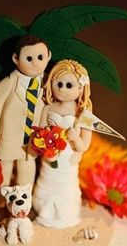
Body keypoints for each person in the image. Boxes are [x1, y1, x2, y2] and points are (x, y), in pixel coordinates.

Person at [0, 35, 52, 217]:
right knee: (3, 174)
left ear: (49, 56)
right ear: (16, 59)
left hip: (31, 143)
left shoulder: (47, 85)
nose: (35, 63)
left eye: (40, 57)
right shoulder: (7, 85)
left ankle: (23, 206)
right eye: (29, 58)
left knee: (27, 174)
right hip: (8, 141)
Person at [33, 59, 92, 228]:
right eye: (58, 83)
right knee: (47, 181)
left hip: (69, 158)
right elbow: (40, 133)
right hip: (50, 157)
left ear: (81, 88)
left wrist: (75, 139)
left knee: (65, 185)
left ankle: (65, 213)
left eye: (69, 85)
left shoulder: (83, 114)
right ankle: (43, 209)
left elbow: (84, 145)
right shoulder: (48, 109)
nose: (62, 89)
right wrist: (45, 151)